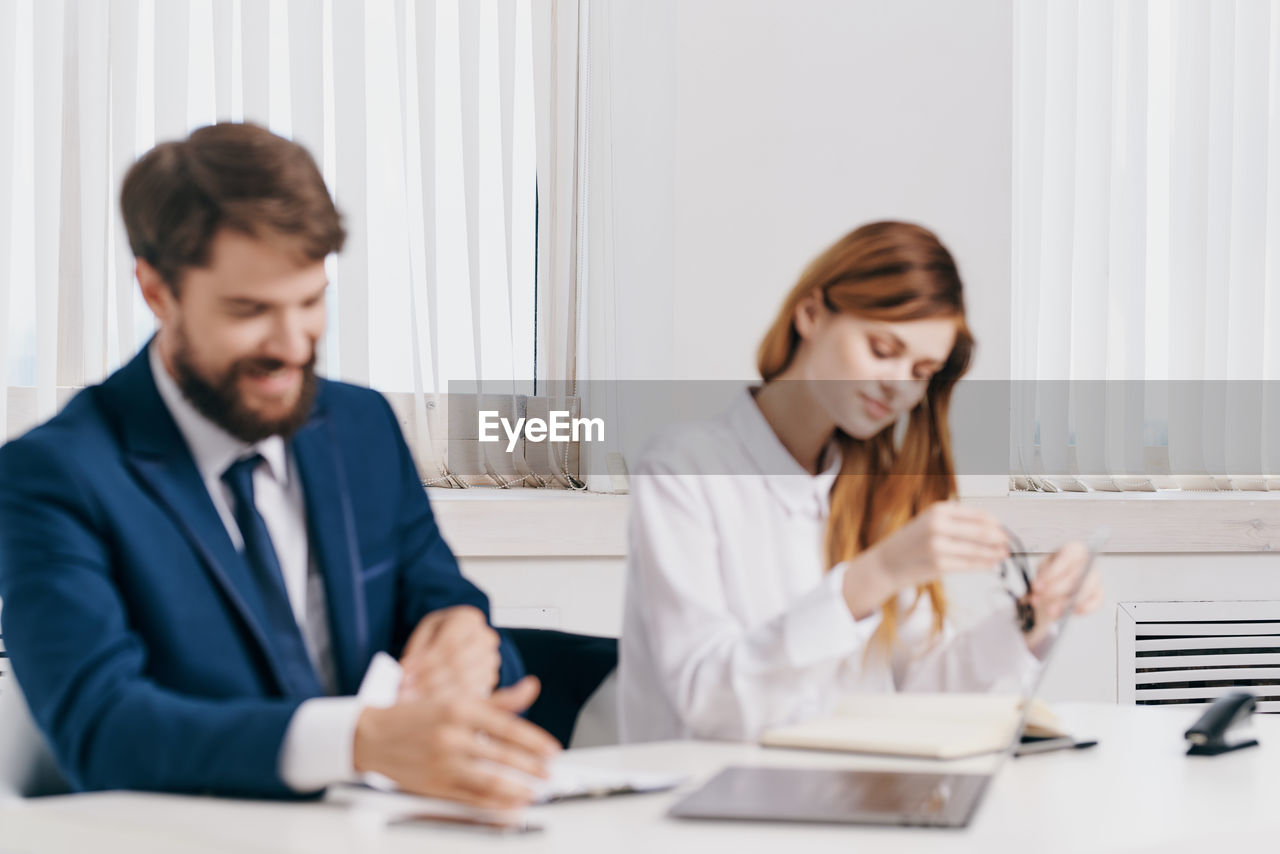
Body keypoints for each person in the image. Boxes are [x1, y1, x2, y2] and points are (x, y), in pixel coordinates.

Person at [0, 123, 559, 804]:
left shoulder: (362, 428)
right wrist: (356, 740)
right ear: (156, 291)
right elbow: (103, 731)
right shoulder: (55, 476)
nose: (293, 345)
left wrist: (470, 645)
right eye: (249, 311)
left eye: (310, 301)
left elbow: (446, 607)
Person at [618, 221, 1104, 743]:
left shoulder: (877, 488)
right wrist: (873, 576)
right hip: (707, 797)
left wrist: (1034, 617)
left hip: (851, 793)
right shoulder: (682, 468)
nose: (898, 385)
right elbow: (707, 701)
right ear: (810, 314)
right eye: (882, 348)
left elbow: (922, 692)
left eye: (921, 371)